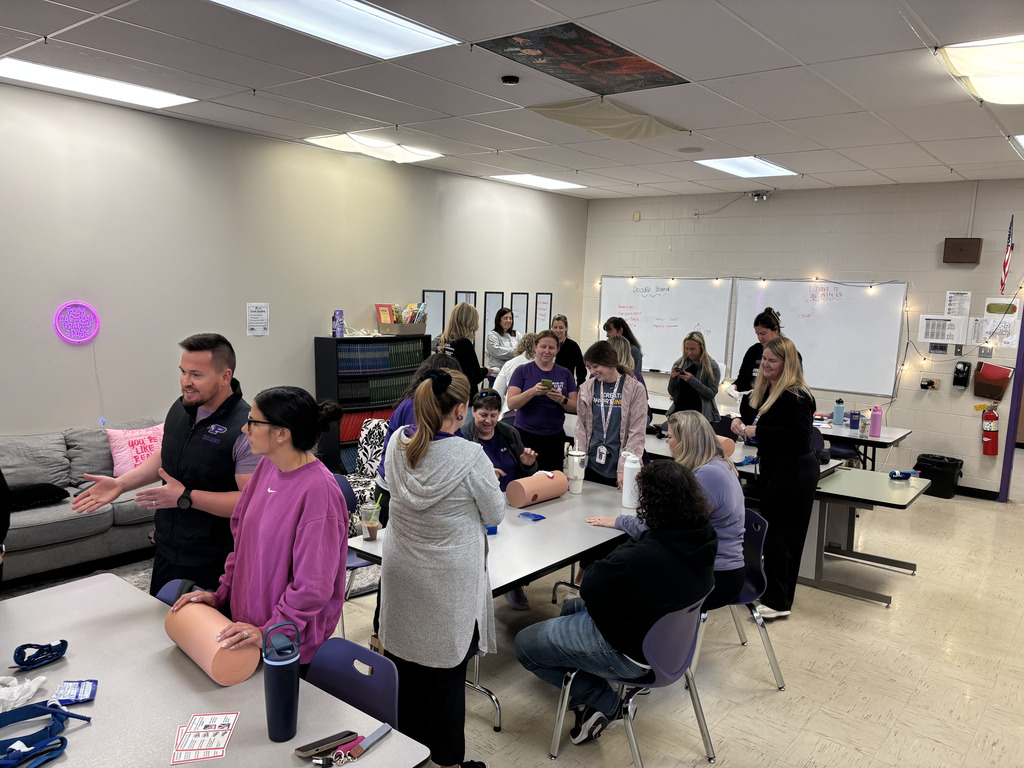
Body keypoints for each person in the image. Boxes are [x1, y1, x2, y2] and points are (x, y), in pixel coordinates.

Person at [514, 461, 717, 745]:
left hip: (631, 652)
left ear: (653, 504)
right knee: (570, 609)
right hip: (669, 642)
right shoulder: (703, 535)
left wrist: (630, 546)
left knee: (524, 644)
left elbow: (590, 587)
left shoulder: (644, 555)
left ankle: (607, 703)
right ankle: (585, 694)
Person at [170, 387, 347, 671]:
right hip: (247, 630)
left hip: (284, 644)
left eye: (253, 422)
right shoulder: (267, 466)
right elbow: (242, 542)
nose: (244, 429)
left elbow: (312, 587)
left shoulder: (319, 493)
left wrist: (269, 632)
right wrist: (220, 595)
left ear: (282, 434)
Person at [380, 369, 504, 768]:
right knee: (445, 681)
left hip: (402, 575)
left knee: (406, 672)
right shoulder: (471, 457)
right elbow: (495, 514)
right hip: (448, 583)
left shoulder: (398, 444)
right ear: (462, 410)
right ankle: (448, 762)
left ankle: (410, 755)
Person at [72, 333, 258, 595]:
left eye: (196, 375)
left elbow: (250, 503)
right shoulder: (181, 408)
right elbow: (167, 455)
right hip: (167, 549)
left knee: (201, 623)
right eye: (183, 372)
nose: (185, 382)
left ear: (225, 376)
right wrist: (121, 484)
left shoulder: (245, 429)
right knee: (160, 617)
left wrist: (186, 497)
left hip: (215, 560)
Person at [586, 411, 744, 611]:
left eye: (669, 437)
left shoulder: (707, 476)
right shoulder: (718, 464)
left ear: (686, 441)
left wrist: (619, 521)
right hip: (714, 567)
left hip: (715, 576)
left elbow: (663, 527)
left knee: (625, 584)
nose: (666, 441)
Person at [731, 336, 817, 619]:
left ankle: (780, 602)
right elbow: (748, 413)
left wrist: (757, 432)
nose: (765, 365)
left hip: (794, 472)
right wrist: (738, 421)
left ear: (787, 363)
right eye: (764, 360)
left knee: (784, 537)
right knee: (772, 535)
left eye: (772, 361)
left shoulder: (796, 395)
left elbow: (798, 436)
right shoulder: (766, 388)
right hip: (774, 468)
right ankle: (770, 591)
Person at [460, 388, 538, 611]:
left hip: (511, 504)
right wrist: (485, 475)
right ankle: (479, 592)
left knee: (515, 546)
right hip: (479, 507)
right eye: (483, 415)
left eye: (493, 415)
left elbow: (526, 474)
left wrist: (528, 464)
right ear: (473, 412)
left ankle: (513, 584)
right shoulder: (463, 436)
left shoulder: (509, 433)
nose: (488, 420)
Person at [574, 341, 647, 489]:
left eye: (595, 366)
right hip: (591, 465)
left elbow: (637, 432)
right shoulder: (587, 388)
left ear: (609, 362)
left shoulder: (635, 389)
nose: (592, 371)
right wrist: (580, 461)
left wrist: (624, 467)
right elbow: (581, 427)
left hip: (620, 467)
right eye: (589, 367)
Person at [506, 330, 578, 472]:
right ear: (535, 347)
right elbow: (511, 403)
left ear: (557, 350)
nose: (547, 351)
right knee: (526, 478)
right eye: (543, 347)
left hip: (554, 437)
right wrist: (532, 392)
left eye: (551, 348)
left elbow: (575, 407)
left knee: (552, 480)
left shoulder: (565, 373)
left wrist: (562, 399)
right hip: (526, 435)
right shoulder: (522, 371)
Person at [667, 331, 721, 423]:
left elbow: (711, 394)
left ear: (701, 348)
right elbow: (671, 392)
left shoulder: (711, 366)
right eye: (686, 348)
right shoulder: (680, 363)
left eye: (693, 349)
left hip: (700, 417)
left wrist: (691, 380)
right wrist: (673, 378)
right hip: (680, 414)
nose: (689, 352)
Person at [438, 302, 489, 399]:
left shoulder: (444, 340)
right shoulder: (464, 343)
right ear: (469, 321)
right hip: (464, 395)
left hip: (449, 392)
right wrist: (485, 370)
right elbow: (475, 377)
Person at [733, 307, 784, 393]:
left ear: (775, 329)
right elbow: (742, 379)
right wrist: (734, 386)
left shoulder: (788, 353)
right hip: (751, 399)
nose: (760, 338)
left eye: (763, 333)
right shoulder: (753, 350)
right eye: (757, 334)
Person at [493, 332, 537, 419]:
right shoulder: (546, 365)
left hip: (512, 413)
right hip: (536, 415)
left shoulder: (510, 364)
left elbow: (497, 392)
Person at [551, 314, 586, 386]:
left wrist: (579, 387)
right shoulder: (547, 344)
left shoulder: (573, 346)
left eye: (561, 328)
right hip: (548, 383)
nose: (558, 330)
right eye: (555, 327)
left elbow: (581, 369)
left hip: (567, 385)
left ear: (566, 328)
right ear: (552, 328)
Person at [485, 307, 518, 375]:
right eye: (505, 318)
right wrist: (517, 352)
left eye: (510, 318)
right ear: (499, 320)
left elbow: (523, 350)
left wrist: (518, 352)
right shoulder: (492, 335)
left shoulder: (517, 334)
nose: (508, 320)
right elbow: (498, 352)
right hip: (497, 374)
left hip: (513, 374)